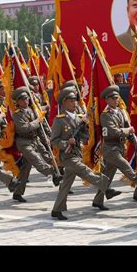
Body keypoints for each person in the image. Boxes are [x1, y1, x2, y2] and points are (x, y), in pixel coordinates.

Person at [51, 88, 119, 220]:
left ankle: (56, 210)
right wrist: (66, 142)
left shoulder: (79, 118)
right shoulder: (59, 120)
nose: (74, 103)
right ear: (64, 103)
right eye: (71, 101)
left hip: (77, 154)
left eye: (75, 101)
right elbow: (54, 141)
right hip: (67, 156)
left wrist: (85, 126)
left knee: (66, 184)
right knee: (86, 171)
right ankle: (106, 187)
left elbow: (85, 137)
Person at [91, 85, 137, 210]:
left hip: (120, 147)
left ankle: (98, 200)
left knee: (107, 176)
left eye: (117, 97)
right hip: (110, 148)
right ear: (107, 100)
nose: (116, 100)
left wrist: (135, 141)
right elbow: (114, 132)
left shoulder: (121, 112)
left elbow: (129, 130)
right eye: (113, 98)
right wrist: (127, 130)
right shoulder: (105, 115)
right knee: (124, 165)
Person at [11, 86, 63, 203]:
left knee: (27, 167)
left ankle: (18, 192)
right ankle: (53, 174)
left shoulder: (33, 110)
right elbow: (24, 128)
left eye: (27, 98)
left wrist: (48, 138)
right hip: (24, 142)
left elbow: (41, 128)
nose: (26, 101)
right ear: (18, 101)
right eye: (23, 99)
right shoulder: (17, 114)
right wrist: (37, 121)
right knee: (37, 160)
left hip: (35, 140)